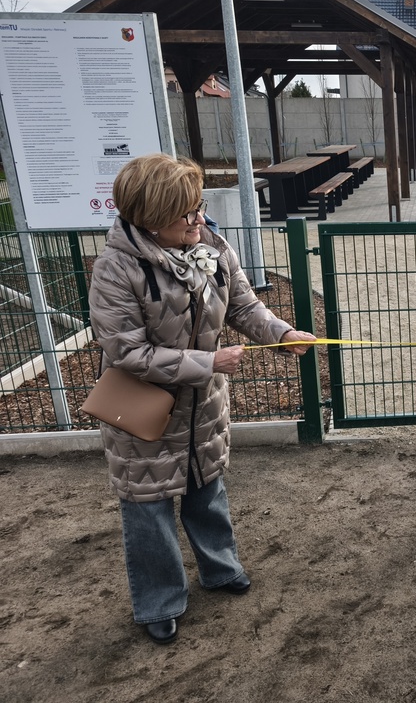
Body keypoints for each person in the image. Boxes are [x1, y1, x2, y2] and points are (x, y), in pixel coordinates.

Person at [88, 153, 316, 644]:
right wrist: (206, 363)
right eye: (186, 211)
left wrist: (280, 333)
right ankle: (159, 601)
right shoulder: (116, 269)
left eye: (198, 206)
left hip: (201, 408)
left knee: (205, 487)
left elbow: (242, 304)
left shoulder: (209, 243)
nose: (198, 218)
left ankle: (220, 568)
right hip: (142, 409)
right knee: (147, 507)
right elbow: (126, 352)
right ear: (150, 218)